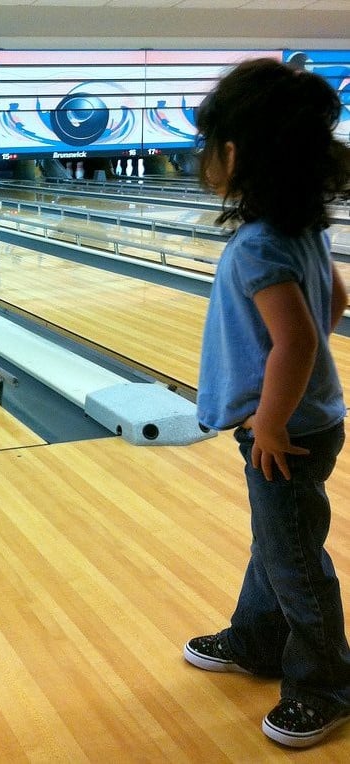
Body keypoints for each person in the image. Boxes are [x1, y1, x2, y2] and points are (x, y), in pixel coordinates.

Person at [182, 57, 350, 749]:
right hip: (311, 420)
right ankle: (256, 639)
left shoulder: (255, 246)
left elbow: (298, 340)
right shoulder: (298, 230)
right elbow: (336, 301)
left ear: (231, 153)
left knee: (296, 559)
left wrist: (273, 419)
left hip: (283, 431)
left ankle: (325, 685)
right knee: (279, 543)